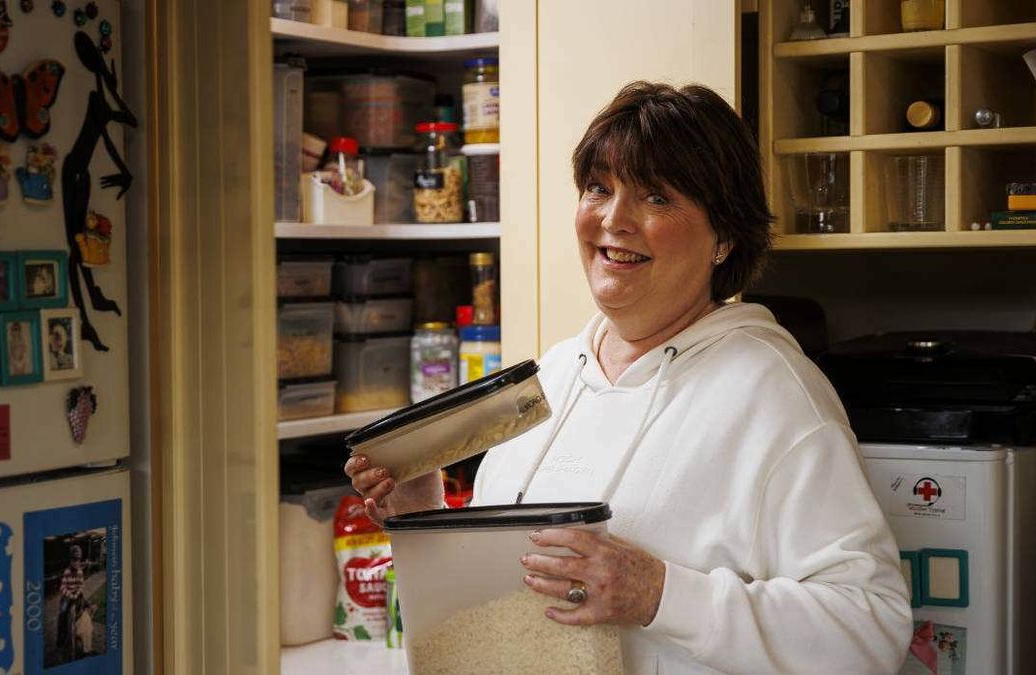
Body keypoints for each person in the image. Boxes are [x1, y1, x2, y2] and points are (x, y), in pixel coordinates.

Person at [346, 81, 912, 673]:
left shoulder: (773, 393)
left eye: (656, 198)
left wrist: (657, 593)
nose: (613, 220)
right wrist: (424, 521)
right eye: (599, 188)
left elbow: (869, 628)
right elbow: (506, 605)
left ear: (724, 237)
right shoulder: (553, 378)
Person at [57, 545, 86, 658]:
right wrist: (70, 595)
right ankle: (61, 638)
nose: (76, 563)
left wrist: (77, 594)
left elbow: (81, 585)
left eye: (78, 560)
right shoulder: (67, 572)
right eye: (74, 560)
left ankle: (82, 635)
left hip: (77, 594)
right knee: (62, 613)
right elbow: (62, 588)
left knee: (83, 610)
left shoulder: (80, 572)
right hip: (68, 595)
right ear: (71, 560)